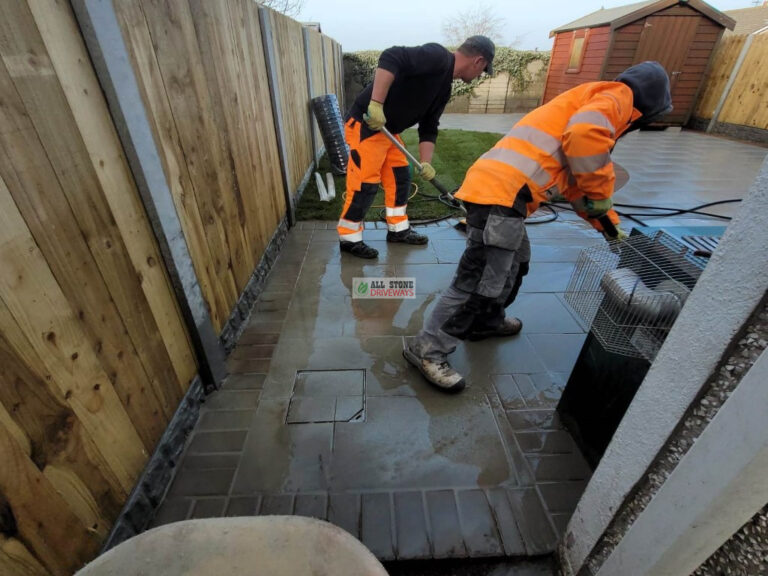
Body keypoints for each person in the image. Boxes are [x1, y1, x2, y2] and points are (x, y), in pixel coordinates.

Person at [403, 61, 673, 392]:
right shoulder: (617, 98)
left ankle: (487, 321)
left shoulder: (595, 99)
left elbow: (576, 186)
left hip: (501, 192)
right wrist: (603, 193)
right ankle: (427, 350)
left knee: (516, 261)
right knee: (477, 281)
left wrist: (609, 227)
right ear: (647, 105)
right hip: (499, 195)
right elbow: (585, 137)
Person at [337, 36, 495, 259]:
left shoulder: (444, 88)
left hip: (389, 132)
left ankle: (398, 230)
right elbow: (391, 56)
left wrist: (426, 162)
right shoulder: (437, 57)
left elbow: (429, 125)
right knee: (365, 184)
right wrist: (376, 104)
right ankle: (349, 238)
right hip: (367, 124)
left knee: (400, 177)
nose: (480, 75)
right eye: (483, 70)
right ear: (478, 61)